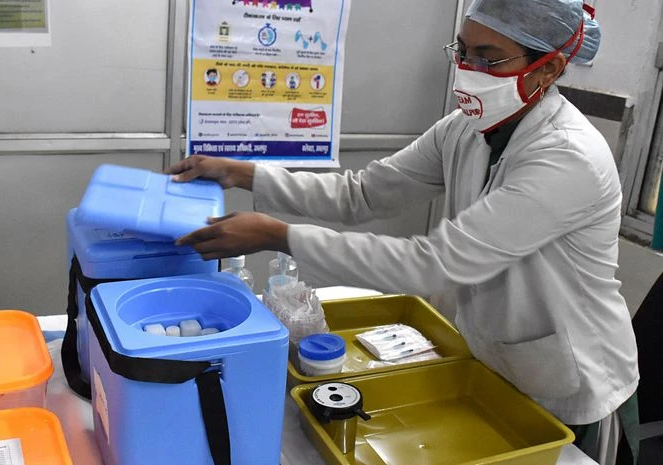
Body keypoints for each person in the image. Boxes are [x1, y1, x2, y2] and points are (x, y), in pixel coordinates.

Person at [169, 1, 639, 463]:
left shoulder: (568, 156)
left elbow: (435, 263)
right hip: (497, 362)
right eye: (462, 51)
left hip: (571, 380)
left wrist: (278, 235)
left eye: (488, 57)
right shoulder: (465, 129)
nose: (468, 69)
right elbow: (365, 193)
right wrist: (245, 173)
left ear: (549, 68)